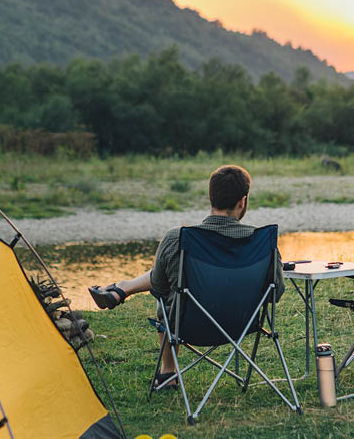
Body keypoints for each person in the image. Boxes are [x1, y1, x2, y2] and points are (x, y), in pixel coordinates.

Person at [87, 165, 285, 388]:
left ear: (211, 197)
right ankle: (122, 289)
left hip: (188, 326)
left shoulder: (177, 239)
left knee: (168, 291)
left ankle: (168, 372)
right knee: (172, 279)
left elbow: (159, 287)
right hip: (242, 325)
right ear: (242, 201)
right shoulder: (263, 243)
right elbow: (275, 293)